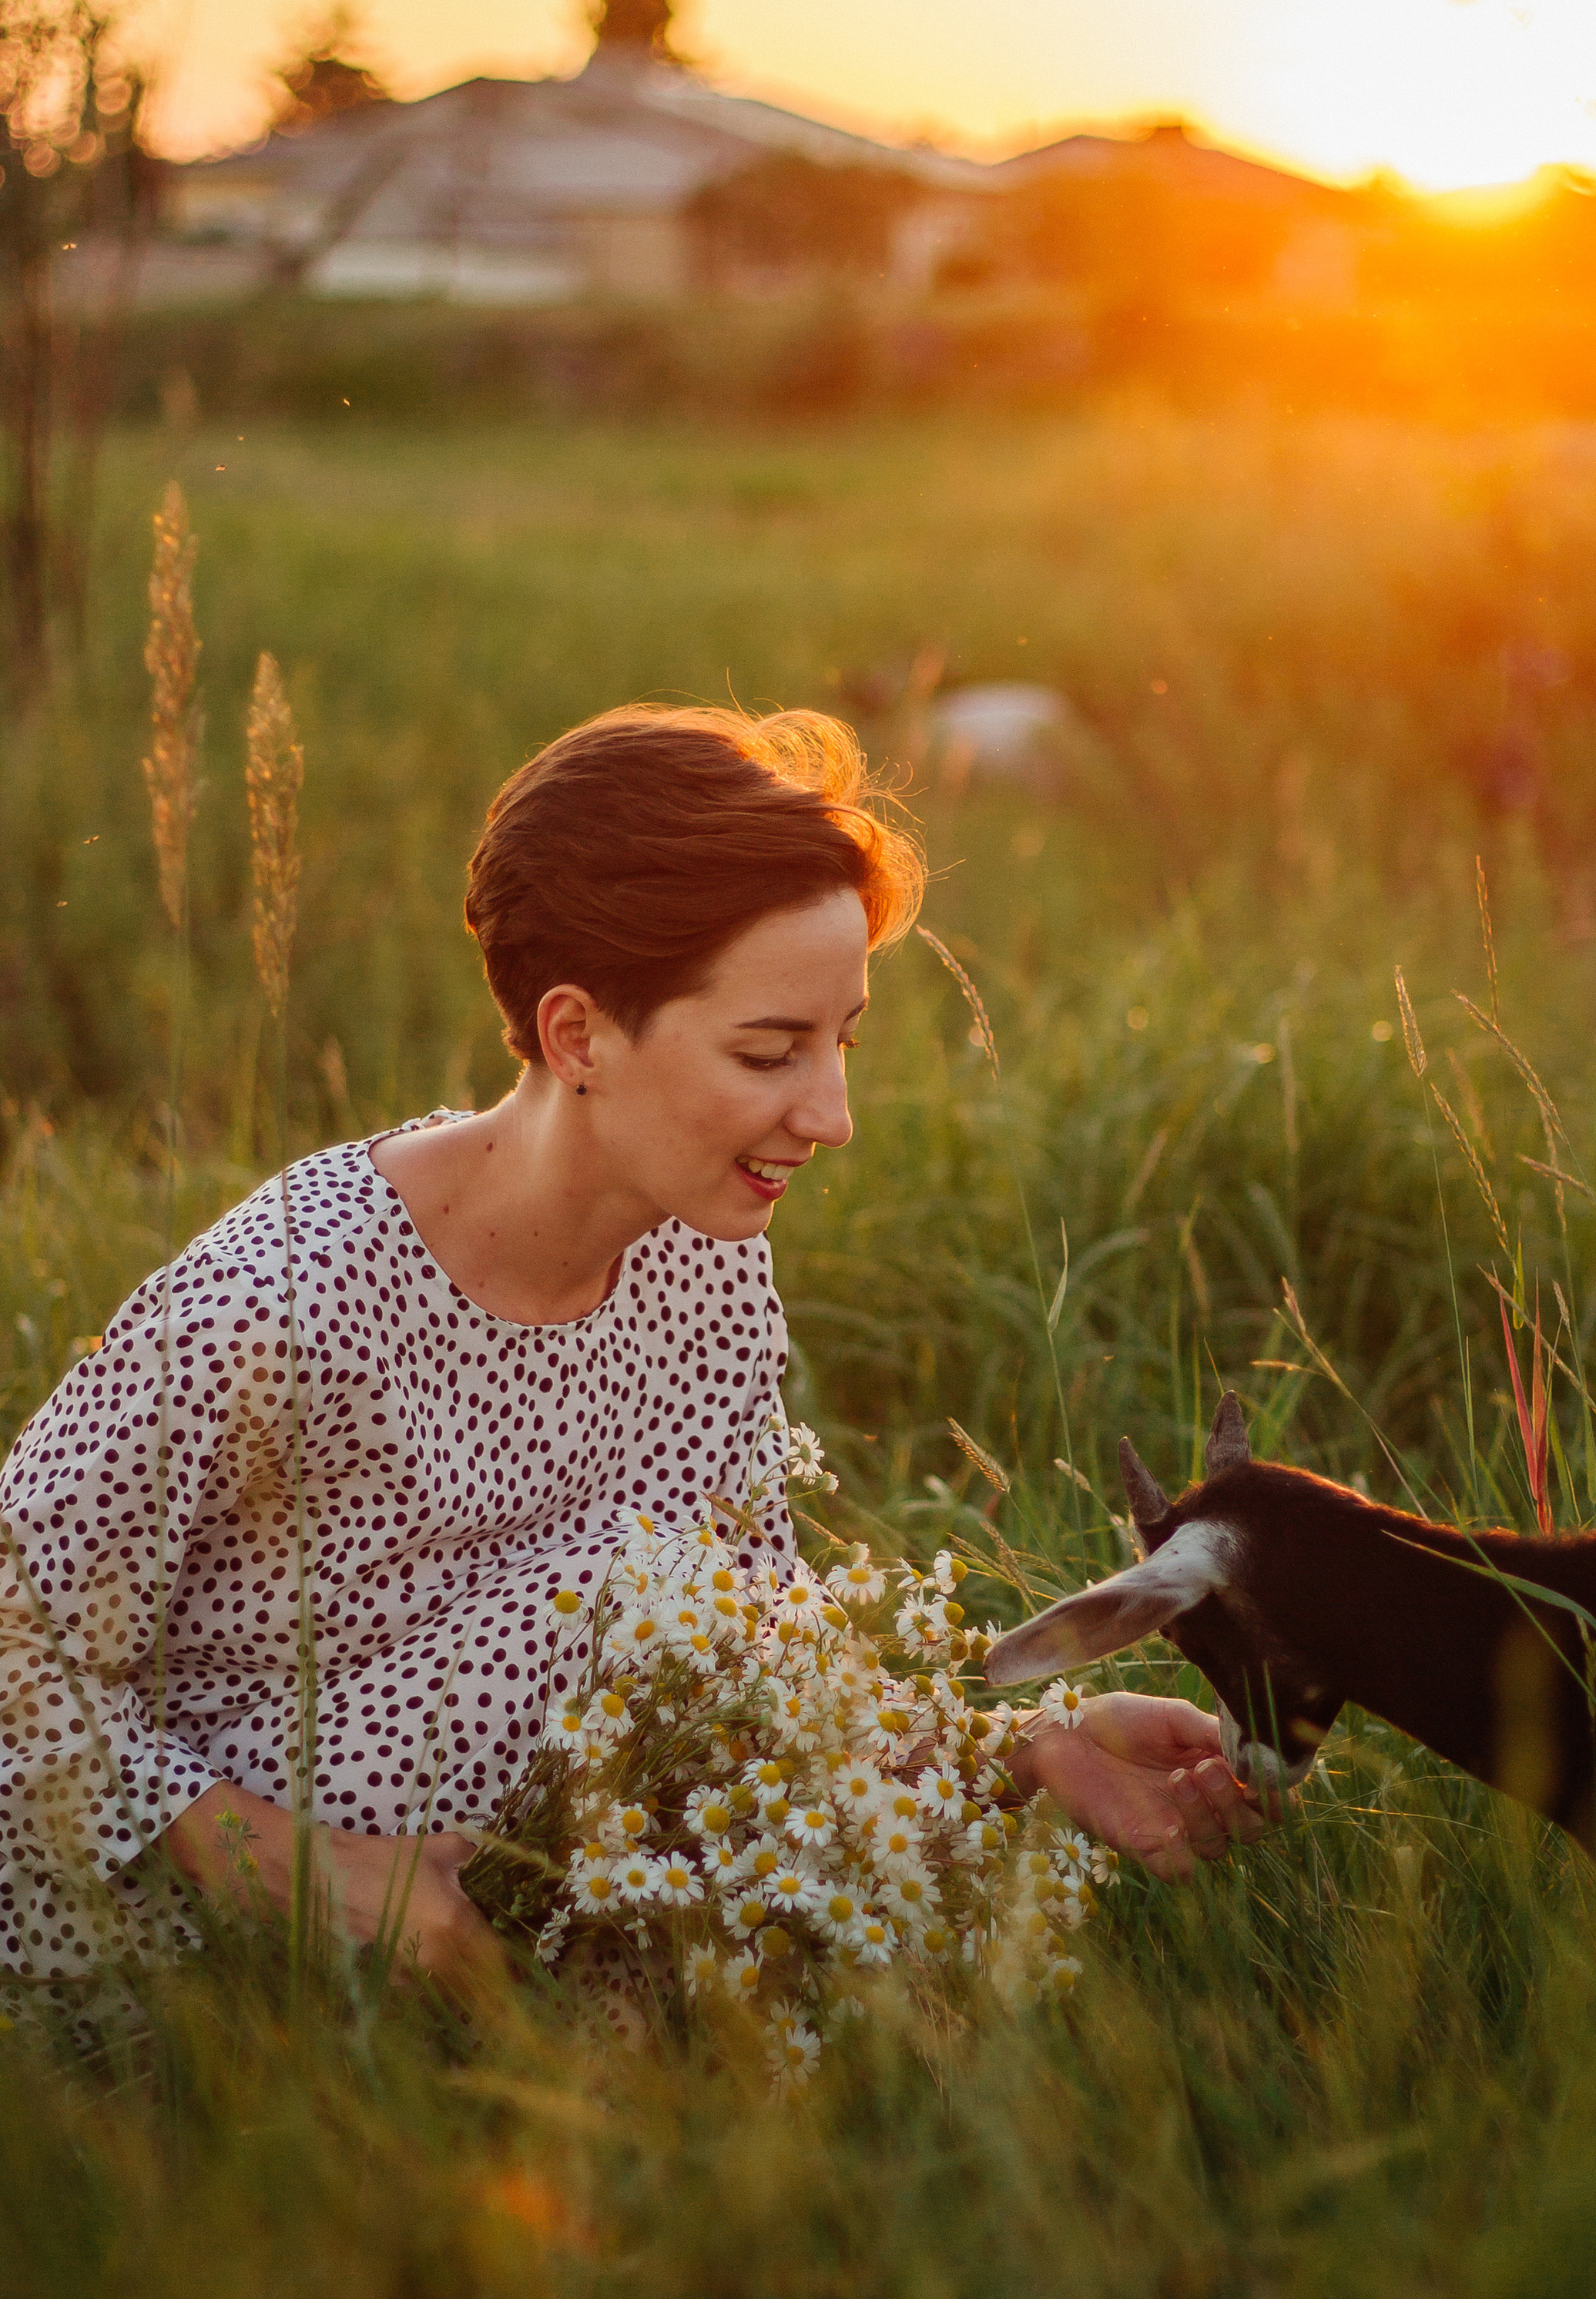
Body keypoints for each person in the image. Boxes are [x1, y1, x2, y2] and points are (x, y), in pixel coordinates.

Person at [0, 706, 1263, 1997]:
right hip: (130, 1959)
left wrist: (1024, 1748)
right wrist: (273, 1857)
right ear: (576, 1037)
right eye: (769, 1050)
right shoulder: (281, 1305)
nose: (833, 1116)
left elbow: (741, 1661)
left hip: (471, 1944)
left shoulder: (702, 1247)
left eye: (844, 1039)